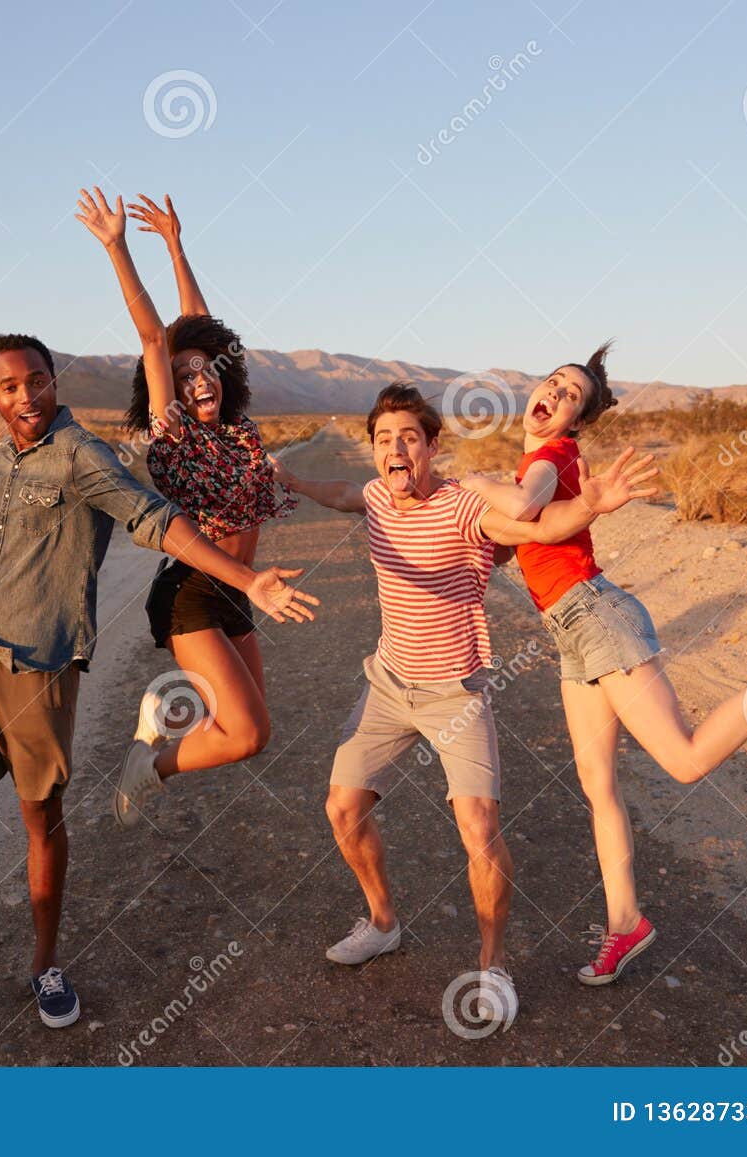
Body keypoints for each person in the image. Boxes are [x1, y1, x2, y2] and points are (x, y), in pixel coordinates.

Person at [0, 333, 317, 1030]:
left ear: (53, 380)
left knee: (40, 817)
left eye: (37, 380)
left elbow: (156, 520)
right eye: (10, 386)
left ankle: (45, 964)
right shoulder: (6, 455)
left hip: (38, 666)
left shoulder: (82, 454)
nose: (27, 395)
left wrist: (247, 577)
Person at [458, 342, 747, 986]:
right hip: (570, 632)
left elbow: (523, 508)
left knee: (685, 761)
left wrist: (464, 481)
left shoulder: (549, 458)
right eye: (553, 382)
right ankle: (625, 923)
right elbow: (523, 531)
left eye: (572, 395)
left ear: (578, 420)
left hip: (596, 618)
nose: (555, 394)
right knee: (598, 787)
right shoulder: (538, 460)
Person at [273, 382, 658, 1026]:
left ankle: (493, 966)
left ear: (431, 447)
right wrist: (290, 477)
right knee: (342, 809)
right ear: (375, 452)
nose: (396, 449)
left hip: (457, 692)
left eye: (409, 438)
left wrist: (591, 508)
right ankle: (383, 922)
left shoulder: (462, 507)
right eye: (384, 440)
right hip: (390, 683)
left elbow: (531, 525)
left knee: (479, 832)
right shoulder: (372, 494)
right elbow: (342, 495)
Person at [76, 190, 299, 828]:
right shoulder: (172, 429)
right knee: (246, 734)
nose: (200, 381)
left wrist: (176, 245)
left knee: (252, 725)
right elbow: (156, 335)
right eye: (186, 375)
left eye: (209, 371)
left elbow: (197, 328)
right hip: (192, 593)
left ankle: (174, 715)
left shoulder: (236, 425)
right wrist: (119, 247)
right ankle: (153, 761)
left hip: (235, 592)